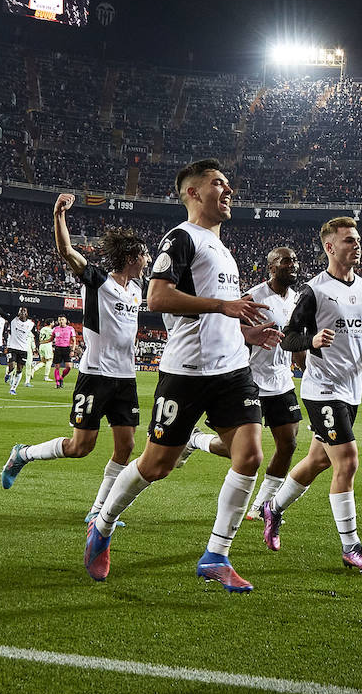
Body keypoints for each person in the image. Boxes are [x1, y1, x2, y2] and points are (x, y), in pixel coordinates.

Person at [84, 159, 281, 592]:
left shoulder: (223, 250)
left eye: (229, 184)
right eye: (218, 184)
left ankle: (216, 555)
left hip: (232, 370)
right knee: (157, 465)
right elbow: (156, 298)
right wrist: (223, 306)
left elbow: (217, 318)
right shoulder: (181, 237)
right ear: (193, 192)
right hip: (186, 373)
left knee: (249, 456)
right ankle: (102, 524)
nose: (228, 191)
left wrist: (247, 331)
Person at [258, 217, 362, 571]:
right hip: (322, 390)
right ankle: (352, 547)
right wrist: (312, 340)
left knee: (318, 461)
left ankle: (271, 508)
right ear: (330, 247)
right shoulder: (314, 291)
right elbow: (288, 337)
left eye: (357, 239)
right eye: (349, 240)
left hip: (352, 392)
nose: (356, 245)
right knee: (347, 461)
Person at [0, 195, 152, 511]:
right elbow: (66, 252)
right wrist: (58, 214)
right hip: (95, 375)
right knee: (81, 446)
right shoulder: (98, 280)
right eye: (145, 255)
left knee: (126, 446)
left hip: (126, 378)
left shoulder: (137, 290)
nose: (148, 260)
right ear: (132, 257)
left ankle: (98, 512)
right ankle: (22, 454)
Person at [181, 247, 306, 520]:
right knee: (239, 449)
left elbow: (295, 340)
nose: (293, 265)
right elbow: (225, 327)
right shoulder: (254, 296)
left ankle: (263, 505)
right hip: (251, 379)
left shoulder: (297, 299)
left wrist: (307, 370)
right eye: (287, 261)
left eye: (295, 260)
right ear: (272, 267)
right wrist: (249, 335)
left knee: (289, 444)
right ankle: (197, 440)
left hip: (282, 381)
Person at [4, 307, 36, 395]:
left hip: (23, 349)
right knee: (11, 366)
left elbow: (35, 335)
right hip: (12, 347)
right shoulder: (13, 320)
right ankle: (8, 373)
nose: (22, 312)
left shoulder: (31, 324)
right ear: (18, 313)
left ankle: (13, 388)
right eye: (21, 311)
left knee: (19, 369)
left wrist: (35, 346)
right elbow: (1, 312)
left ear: (27, 314)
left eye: (24, 311)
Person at [52, 316, 77, 388]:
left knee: (69, 367)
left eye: (62, 319)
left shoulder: (71, 329)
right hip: (58, 348)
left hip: (66, 349)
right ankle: (57, 383)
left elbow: (74, 340)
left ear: (66, 320)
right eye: (59, 320)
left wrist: (72, 350)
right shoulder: (55, 329)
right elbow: (51, 338)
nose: (61, 321)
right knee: (57, 367)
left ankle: (61, 378)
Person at [32, 321, 54, 386]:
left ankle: (33, 370)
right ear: (50, 323)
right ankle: (46, 377)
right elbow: (53, 336)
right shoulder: (50, 330)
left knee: (43, 361)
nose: (53, 323)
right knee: (49, 361)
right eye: (52, 322)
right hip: (47, 345)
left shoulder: (42, 329)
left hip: (41, 345)